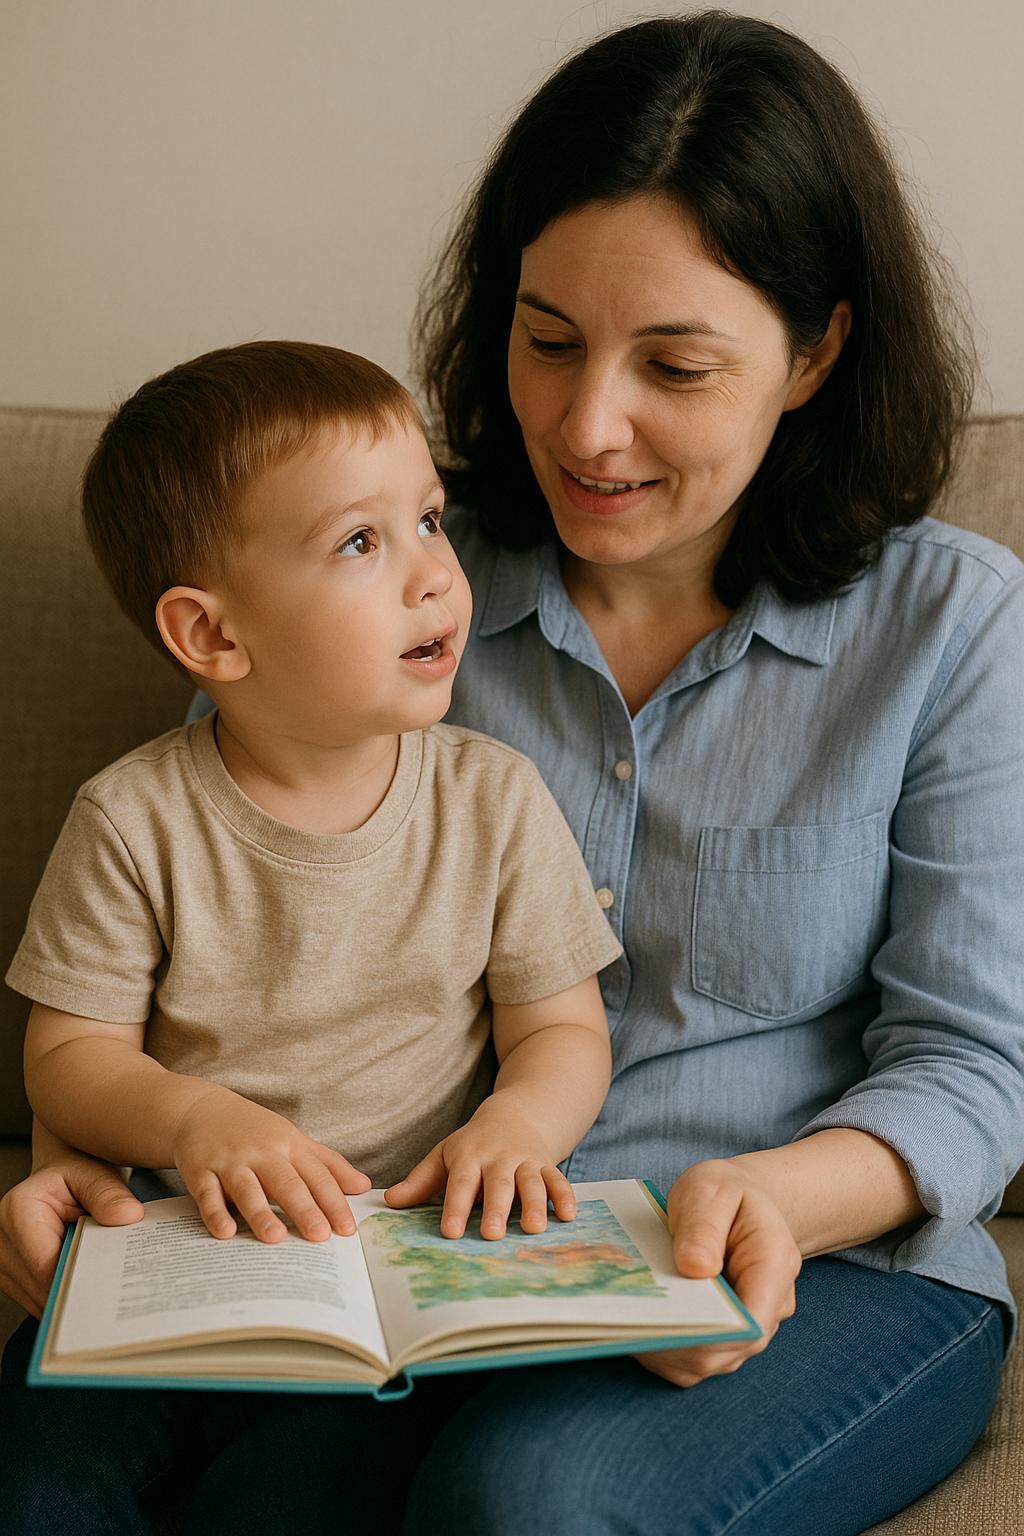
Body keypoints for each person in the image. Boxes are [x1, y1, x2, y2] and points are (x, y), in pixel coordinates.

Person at [2, 11, 1023, 1535]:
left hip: (820, 1264)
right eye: (548, 340)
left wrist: (779, 1198)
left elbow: (976, 1062)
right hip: (435, 1267)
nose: (585, 425)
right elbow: (149, 988)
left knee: (530, 1498)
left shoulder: (954, 623)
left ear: (814, 351)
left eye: (673, 363)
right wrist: (70, 1169)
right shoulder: (376, 583)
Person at [0, 340, 620, 1532]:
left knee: (290, 1505)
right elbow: (68, 1057)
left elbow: (560, 1028)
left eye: (429, 519)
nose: (434, 576)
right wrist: (195, 1118)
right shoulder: (132, 819)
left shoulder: (494, 799)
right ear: (213, 638)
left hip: (386, 1302)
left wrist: (515, 1124)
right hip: (168, 1282)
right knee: (34, 1494)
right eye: (360, 542)